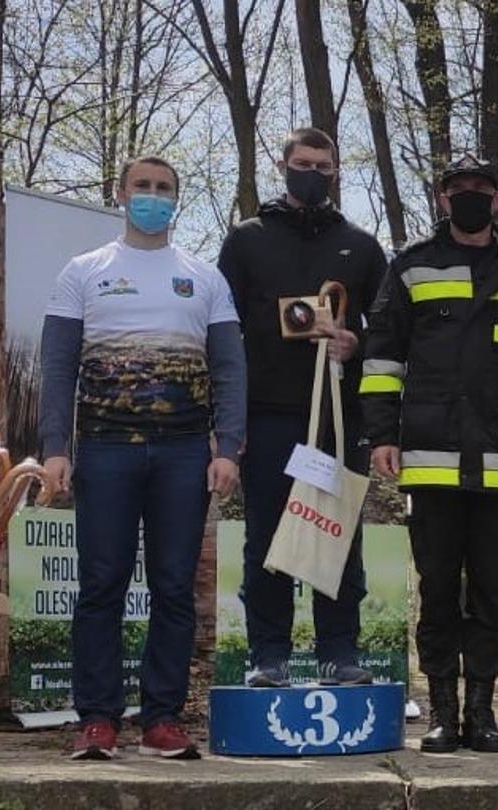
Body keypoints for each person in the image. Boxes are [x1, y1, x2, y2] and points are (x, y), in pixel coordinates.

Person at [360, 155, 498, 754]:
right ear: (443, 198)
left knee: (489, 591)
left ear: (497, 199)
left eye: (481, 188)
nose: (470, 197)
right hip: (429, 456)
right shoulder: (412, 267)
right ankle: (441, 712)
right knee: (437, 587)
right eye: (459, 189)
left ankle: (482, 712)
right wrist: (382, 435)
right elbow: (382, 360)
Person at [38, 155, 244, 761]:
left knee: (175, 587)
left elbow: (230, 368)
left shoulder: (204, 278)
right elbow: (57, 367)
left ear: (177, 201)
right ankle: (97, 719)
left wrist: (226, 446)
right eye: (143, 187)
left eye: (164, 189)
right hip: (103, 451)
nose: (153, 197)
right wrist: (55, 447)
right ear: (121, 193)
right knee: (101, 583)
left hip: (184, 454)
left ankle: (162, 719)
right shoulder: (84, 272)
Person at [217, 128, 388, 689]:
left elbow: (385, 334)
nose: (312, 173)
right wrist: (228, 424)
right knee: (266, 539)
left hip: (339, 417)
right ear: (282, 164)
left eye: (323, 165)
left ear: (336, 172)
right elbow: (224, 333)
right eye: (302, 163)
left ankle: (339, 652)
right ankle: (270, 655)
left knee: (336, 534)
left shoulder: (361, 247)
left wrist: (354, 345)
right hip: (269, 416)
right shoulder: (246, 240)